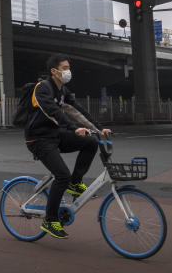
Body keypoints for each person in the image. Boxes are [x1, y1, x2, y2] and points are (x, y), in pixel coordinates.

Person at [24, 55, 111, 239]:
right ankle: (50, 220)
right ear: (54, 71)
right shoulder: (42, 89)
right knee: (62, 175)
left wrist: (99, 129)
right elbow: (52, 112)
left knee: (90, 142)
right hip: (39, 139)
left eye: (68, 67)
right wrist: (73, 128)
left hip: (55, 136)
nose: (68, 71)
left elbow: (78, 111)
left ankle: (75, 182)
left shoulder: (63, 91)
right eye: (64, 67)